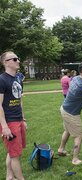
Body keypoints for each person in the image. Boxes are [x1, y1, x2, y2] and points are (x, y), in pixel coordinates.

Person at [0, 51, 27, 180]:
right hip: (9, 122)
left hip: (18, 120)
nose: (18, 61)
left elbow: (20, 100)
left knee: (13, 152)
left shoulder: (18, 79)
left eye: (18, 58)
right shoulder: (1, 80)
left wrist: (23, 118)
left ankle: (9, 177)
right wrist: (4, 127)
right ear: (6, 62)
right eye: (15, 59)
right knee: (15, 155)